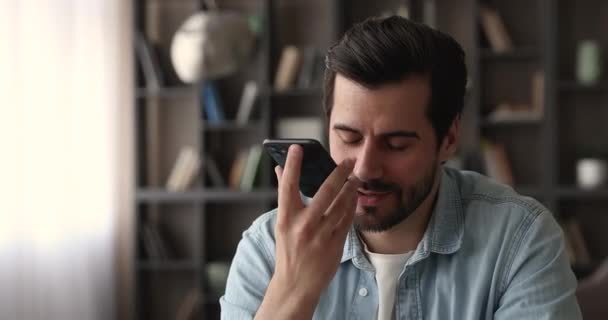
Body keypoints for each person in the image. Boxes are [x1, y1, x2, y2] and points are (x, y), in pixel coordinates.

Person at [220, 16, 581, 320]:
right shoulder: (267, 247)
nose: (365, 168)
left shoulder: (518, 240)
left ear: (449, 138)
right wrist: (293, 290)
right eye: (348, 137)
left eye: (396, 145)